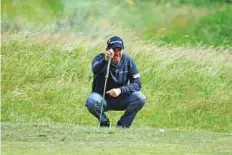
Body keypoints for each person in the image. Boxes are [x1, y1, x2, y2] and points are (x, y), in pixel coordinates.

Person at [85, 36, 146, 128]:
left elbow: (137, 84)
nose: (117, 53)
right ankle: (104, 122)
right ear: (107, 50)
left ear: (123, 50)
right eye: (114, 49)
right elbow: (96, 70)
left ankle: (123, 125)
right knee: (91, 100)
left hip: (121, 98)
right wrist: (105, 61)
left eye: (119, 50)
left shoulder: (128, 61)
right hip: (103, 99)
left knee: (140, 98)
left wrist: (120, 90)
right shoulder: (99, 59)